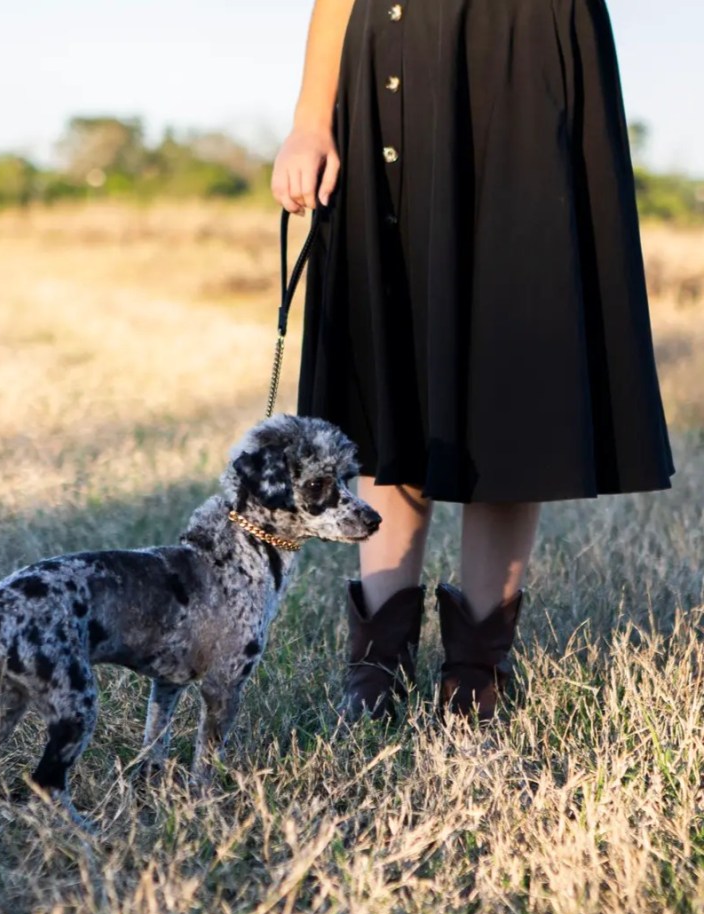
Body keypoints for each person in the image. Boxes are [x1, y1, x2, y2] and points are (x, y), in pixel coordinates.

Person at [271, 0, 674, 722]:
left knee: (507, 361)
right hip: (393, 47)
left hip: (524, 52)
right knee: (391, 361)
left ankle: (477, 675)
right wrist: (311, 117)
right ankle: (375, 669)